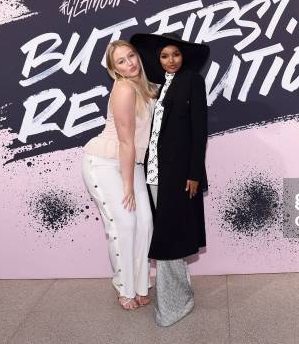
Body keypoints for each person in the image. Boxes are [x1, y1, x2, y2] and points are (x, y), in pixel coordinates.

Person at [130, 33, 209, 327]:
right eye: (165, 56)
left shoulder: (192, 81)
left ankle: (174, 306)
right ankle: (181, 293)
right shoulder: (157, 87)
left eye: (175, 54)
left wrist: (194, 173)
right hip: (152, 173)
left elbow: (199, 131)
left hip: (178, 175)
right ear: (158, 60)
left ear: (183, 56)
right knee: (168, 234)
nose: (171, 60)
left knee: (169, 239)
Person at [81, 40, 157, 310]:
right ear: (115, 70)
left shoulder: (147, 89)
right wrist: (127, 186)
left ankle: (140, 285)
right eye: (121, 61)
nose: (130, 63)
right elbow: (126, 141)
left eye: (131, 56)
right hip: (105, 163)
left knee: (145, 223)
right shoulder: (124, 89)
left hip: (130, 163)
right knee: (124, 224)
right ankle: (124, 288)